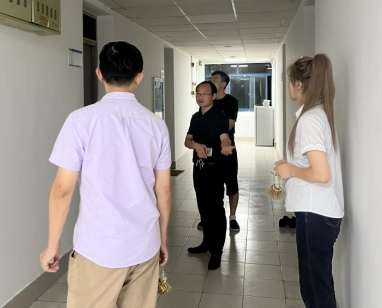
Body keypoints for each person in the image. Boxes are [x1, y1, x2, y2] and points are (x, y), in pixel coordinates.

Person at [39, 41, 172, 308]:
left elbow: (62, 190)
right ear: (139, 77)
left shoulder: (80, 121)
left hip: (99, 247)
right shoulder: (156, 125)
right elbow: (164, 190)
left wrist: (53, 244)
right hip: (144, 244)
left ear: (99, 73)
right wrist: (162, 239)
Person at [274, 54, 344, 308]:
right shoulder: (318, 114)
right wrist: (291, 166)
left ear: (299, 84)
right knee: (318, 284)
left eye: (290, 80)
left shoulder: (310, 119)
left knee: (314, 290)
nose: (288, 86)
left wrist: (290, 170)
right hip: (320, 212)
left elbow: (321, 174)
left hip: (316, 214)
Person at [184, 81, 235, 270]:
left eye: (205, 93)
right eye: (198, 93)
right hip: (199, 168)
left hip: (215, 168)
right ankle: (206, 242)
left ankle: (217, 250)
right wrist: (195, 145)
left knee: (215, 208)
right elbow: (187, 140)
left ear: (213, 96)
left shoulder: (220, 117)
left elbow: (224, 137)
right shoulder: (195, 117)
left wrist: (226, 146)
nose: (200, 97)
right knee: (203, 206)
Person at [210, 70, 240, 232]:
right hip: (210, 150)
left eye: (215, 79)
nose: (211, 81)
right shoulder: (208, 101)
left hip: (227, 148)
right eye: (210, 79)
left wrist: (211, 128)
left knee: (231, 183)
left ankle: (232, 217)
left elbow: (230, 124)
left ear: (223, 84)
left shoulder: (231, 102)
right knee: (212, 185)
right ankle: (211, 216)